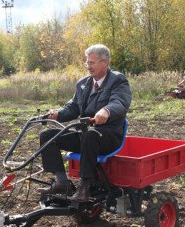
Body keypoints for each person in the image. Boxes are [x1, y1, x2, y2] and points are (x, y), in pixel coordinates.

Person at [39, 44, 132, 202]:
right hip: (85, 135)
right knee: (47, 136)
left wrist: (107, 111)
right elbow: (73, 107)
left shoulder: (117, 80)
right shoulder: (83, 83)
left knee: (90, 134)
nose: (88, 66)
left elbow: (120, 102)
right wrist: (58, 113)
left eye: (92, 63)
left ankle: (84, 187)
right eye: (87, 63)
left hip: (108, 136)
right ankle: (62, 182)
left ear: (105, 62)